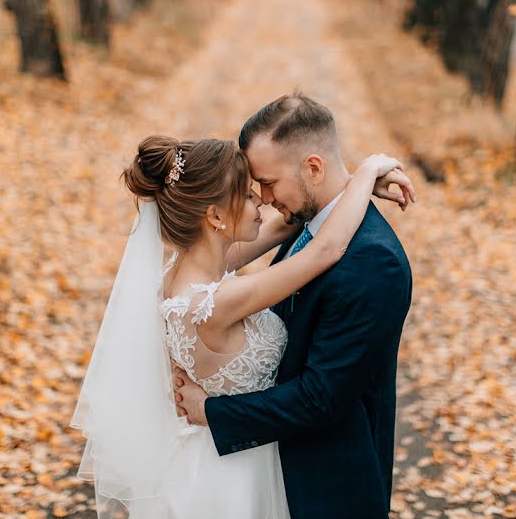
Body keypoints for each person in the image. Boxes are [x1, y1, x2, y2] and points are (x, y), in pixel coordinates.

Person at [174, 92, 414, 518]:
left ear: (313, 167)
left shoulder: (373, 260)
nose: (262, 198)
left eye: (266, 182)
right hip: (264, 477)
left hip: (326, 489)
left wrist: (211, 411)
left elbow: (322, 398)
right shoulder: (305, 226)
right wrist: (363, 177)